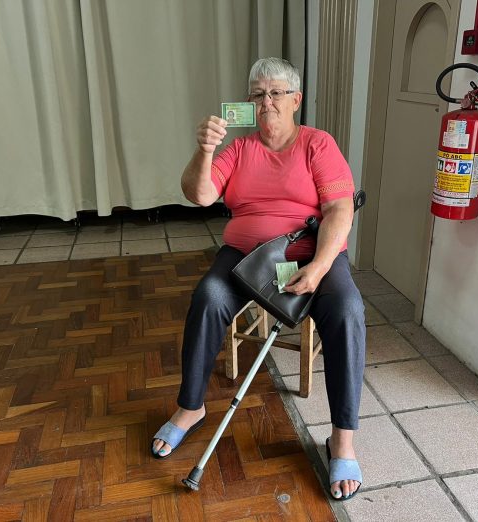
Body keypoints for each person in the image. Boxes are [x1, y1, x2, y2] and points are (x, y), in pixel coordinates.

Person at [151, 57, 365, 501]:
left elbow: (340, 210)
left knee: (347, 310)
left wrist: (319, 267)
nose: (267, 102)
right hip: (246, 256)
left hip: (311, 251)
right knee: (208, 296)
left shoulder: (317, 144)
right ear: (248, 102)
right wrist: (205, 149)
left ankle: (342, 440)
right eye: (257, 94)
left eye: (276, 93)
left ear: (296, 100)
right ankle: (190, 408)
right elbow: (199, 194)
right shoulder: (239, 148)